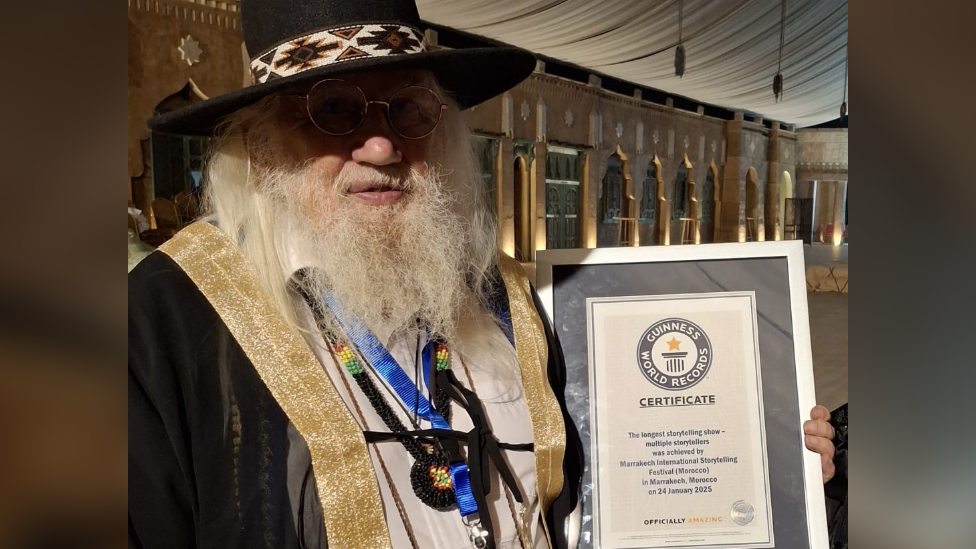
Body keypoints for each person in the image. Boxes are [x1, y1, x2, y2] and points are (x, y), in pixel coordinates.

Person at [128, 1, 837, 548]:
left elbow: (614, 489)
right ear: (259, 141)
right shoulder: (165, 325)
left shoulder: (510, 303)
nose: (381, 144)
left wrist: (773, 453)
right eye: (332, 111)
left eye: (407, 108)